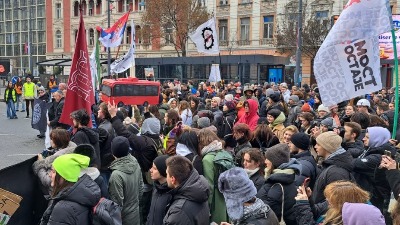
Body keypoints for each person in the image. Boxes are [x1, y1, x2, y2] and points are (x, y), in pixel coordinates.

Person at [39, 154, 101, 225]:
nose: (50, 174)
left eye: (53, 171)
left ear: (64, 177)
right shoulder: (83, 197)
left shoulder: (62, 208)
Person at [353, 126, 395, 220]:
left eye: (367, 137)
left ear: (377, 139)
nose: (363, 139)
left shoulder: (378, 157)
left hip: (376, 199)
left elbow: (353, 164)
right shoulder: (370, 149)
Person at [294, 181, 381, 225]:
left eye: (331, 198)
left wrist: (302, 204)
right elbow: (316, 213)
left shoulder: (353, 218)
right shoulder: (337, 208)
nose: (327, 200)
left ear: (343, 201)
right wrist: (308, 200)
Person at [257, 143, 300, 225]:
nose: (265, 161)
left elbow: (265, 212)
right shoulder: (280, 179)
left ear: (275, 162)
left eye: (267, 159)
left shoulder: (277, 184)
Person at [163, 155, 210, 224]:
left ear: (173, 179)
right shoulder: (199, 192)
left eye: (167, 174)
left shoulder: (178, 212)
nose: (166, 177)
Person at [311, 131, 354, 206]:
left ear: (327, 147)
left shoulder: (336, 172)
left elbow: (336, 202)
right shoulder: (332, 166)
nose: (315, 147)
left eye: (318, 144)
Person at [109, 136, 144, 225]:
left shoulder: (116, 175)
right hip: (135, 213)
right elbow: (141, 188)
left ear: (113, 152)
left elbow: (117, 203)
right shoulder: (134, 161)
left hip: (123, 218)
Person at [198, 129, 229, 224]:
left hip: (216, 201)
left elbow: (209, 186)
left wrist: (207, 207)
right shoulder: (224, 153)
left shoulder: (207, 159)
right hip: (227, 198)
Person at [147, 155, 171, 225]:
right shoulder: (156, 188)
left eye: (154, 168)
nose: (151, 170)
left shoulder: (171, 194)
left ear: (163, 170)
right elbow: (151, 213)